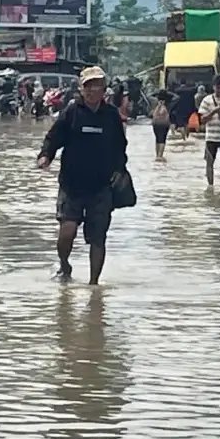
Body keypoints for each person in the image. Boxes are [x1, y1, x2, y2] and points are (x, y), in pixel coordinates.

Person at [37, 66, 128, 285]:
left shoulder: (111, 116)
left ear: (104, 89)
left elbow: (120, 147)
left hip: (102, 187)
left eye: (96, 85)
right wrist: (45, 156)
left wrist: (119, 170)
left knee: (98, 238)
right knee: (66, 232)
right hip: (71, 185)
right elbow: (54, 137)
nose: (91, 90)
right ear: (81, 89)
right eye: (87, 86)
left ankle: (94, 285)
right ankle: (64, 264)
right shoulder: (71, 112)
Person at [151, 89, 173, 160]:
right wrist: (168, 93)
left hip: (155, 123)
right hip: (164, 123)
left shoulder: (154, 102)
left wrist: (156, 93)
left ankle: (157, 155)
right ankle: (160, 156)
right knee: (162, 139)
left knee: (157, 139)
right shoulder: (169, 103)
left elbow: (149, 96)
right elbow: (177, 97)